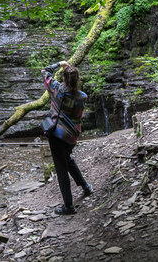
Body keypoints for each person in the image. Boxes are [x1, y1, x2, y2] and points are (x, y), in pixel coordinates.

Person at [41, 60, 93, 215]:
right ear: (78, 80)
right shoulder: (82, 97)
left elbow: (44, 71)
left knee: (61, 169)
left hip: (57, 135)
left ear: (63, 78)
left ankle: (69, 206)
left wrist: (60, 64)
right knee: (68, 159)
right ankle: (85, 187)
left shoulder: (57, 90)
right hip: (72, 137)